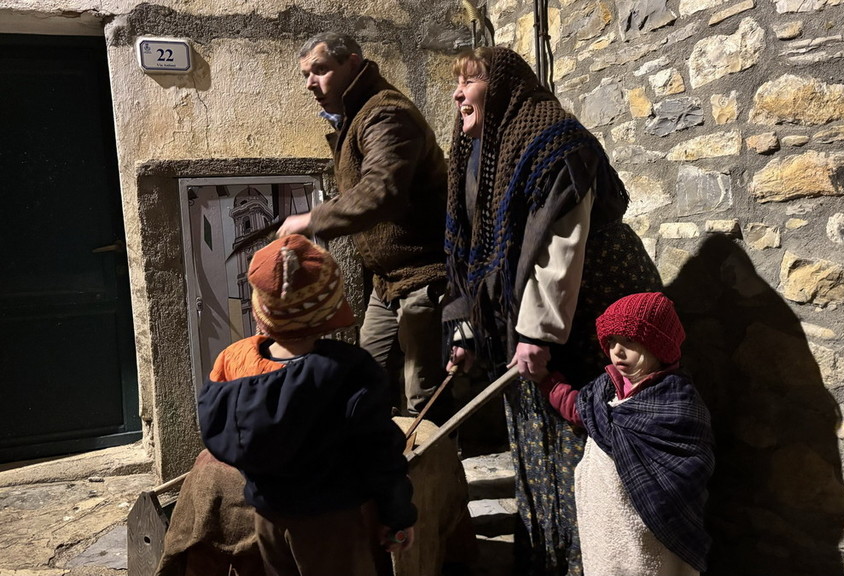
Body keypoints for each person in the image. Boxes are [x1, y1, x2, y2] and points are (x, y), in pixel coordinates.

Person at [444, 46, 662, 575]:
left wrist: (537, 333)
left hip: (584, 312)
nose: (457, 94)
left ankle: (594, 562)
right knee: (534, 438)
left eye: (469, 82)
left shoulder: (553, 140)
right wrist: (467, 331)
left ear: (501, 89)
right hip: (532, 319)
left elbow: (559, 243)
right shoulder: (476, 155)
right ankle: (549, 559)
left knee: (581, 438)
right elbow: (475, 253)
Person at [197, 234, 416, 576]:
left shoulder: (235, 366)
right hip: (331, 524)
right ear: (328, 311)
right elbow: (380, 456)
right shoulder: (349, 372)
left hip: (267, 519)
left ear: (260, 312)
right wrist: (398, 516)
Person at [278, 31, 449, 420]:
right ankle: (381, 456)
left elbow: (380, 192)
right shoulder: (353, 116)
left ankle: (436, 459)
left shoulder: (385, 113)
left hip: (422, 276)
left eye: (320, 70)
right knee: (365, 381)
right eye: (306, 74)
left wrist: (312, 219)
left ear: (352, 64)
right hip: (386, 282)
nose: (310, 83)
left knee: (423, 397)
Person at [539, 292, 715, 576]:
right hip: (606, 520)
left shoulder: (677, 404)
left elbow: (688, 470)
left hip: (647, 527)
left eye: (630, 341)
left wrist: (654, 505)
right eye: (611, 341)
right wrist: (549, 384)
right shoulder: (607, 387)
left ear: (659, 345)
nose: (617, 351)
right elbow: (579, 409)